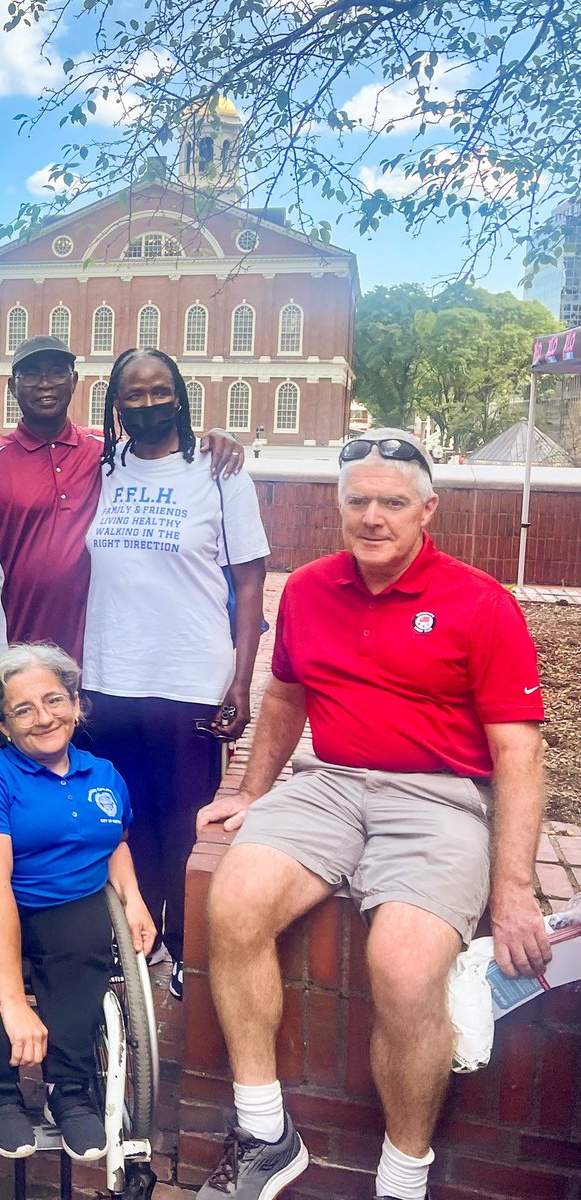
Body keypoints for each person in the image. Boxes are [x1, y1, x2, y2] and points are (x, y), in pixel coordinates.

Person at [192, 428, 551, 1200]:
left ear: (428, 510)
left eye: (393, 502)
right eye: (359, 501)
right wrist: (251, 791)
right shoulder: (313, 589)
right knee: (235, 900)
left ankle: (402, 1173)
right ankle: (263, 1132)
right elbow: (285, 694)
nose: (374, 517)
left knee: (406, 964)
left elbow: (519, 756)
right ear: (338, 508)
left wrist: (514, 888)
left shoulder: (479, 603)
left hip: (440, 797)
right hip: (330, 783)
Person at [82, 348, 269, 1002]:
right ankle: (136, 942)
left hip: (191, 676)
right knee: (121, 820)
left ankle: (188, 947)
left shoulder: (218, 471)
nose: (147, 403)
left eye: (160, 391)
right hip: (108, 677)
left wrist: (242, 680)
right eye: (132, 394)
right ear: (116, 403)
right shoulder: (103, 467)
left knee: (185, 822)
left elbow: (249, 584)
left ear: (181, 395)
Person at [0, 643, 155, 1163]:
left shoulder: (104, 776)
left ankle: (69, 1090)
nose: (43, 718)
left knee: (87, 946)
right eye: (23, 709)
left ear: (76, 703)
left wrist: (133, 897)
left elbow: (113, 841)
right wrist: (13, 1000)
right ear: (3, 726)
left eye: (54, 700)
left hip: (64, 896)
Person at [0, 334, 245, 697]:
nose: (45, 384)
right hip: (19, 646)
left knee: (96, 753)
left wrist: (217, 436)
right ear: (13, 387)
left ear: (74, 382)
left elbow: (161, 454)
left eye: (56, 372)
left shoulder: (108, 455)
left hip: (99, 657)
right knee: (25, 749)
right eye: (31, 375)